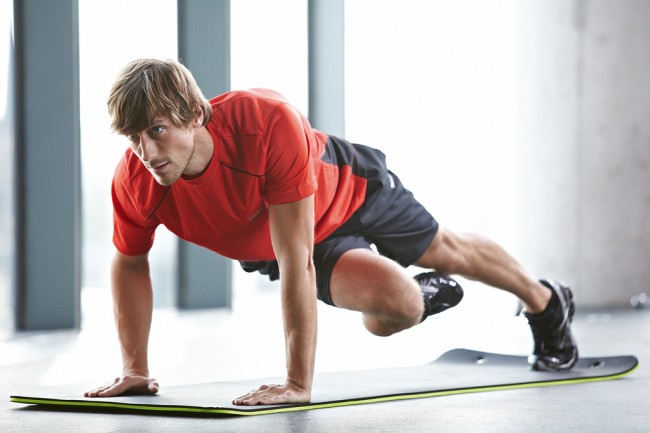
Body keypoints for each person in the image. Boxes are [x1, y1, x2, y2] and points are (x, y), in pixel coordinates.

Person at [84, 58, 578, 406]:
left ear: (193, 115)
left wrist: (296, 382)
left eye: (156, 130)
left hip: (349, 189)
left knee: (445, 251)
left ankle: (545, 301)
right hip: (297, 242)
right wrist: (135, 370)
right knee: (400, 307)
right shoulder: (136, 182)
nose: (146, 152)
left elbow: (295, 258)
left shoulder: (265, 122)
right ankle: (419, 296)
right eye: (132, 137)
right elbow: (129, 262)